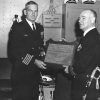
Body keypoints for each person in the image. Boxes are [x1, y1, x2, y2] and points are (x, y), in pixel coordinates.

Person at [7, 1, 46, 100]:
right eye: (30, 11)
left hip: (35, 74)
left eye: (36, 11)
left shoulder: (39, 27)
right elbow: (14, 52)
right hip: (22, 73)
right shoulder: (17, 27)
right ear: (25, 12)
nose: (33, 14)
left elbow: (39, 47)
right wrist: (34, 61)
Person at [63, 9, 100, 100]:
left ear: (92, 20)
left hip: (85, 84)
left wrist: (69, 68)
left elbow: (82, 64)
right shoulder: (89, 36)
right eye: (79, 18)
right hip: (85, 82)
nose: (79, 21)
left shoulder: (91, 38)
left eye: (83, 18)